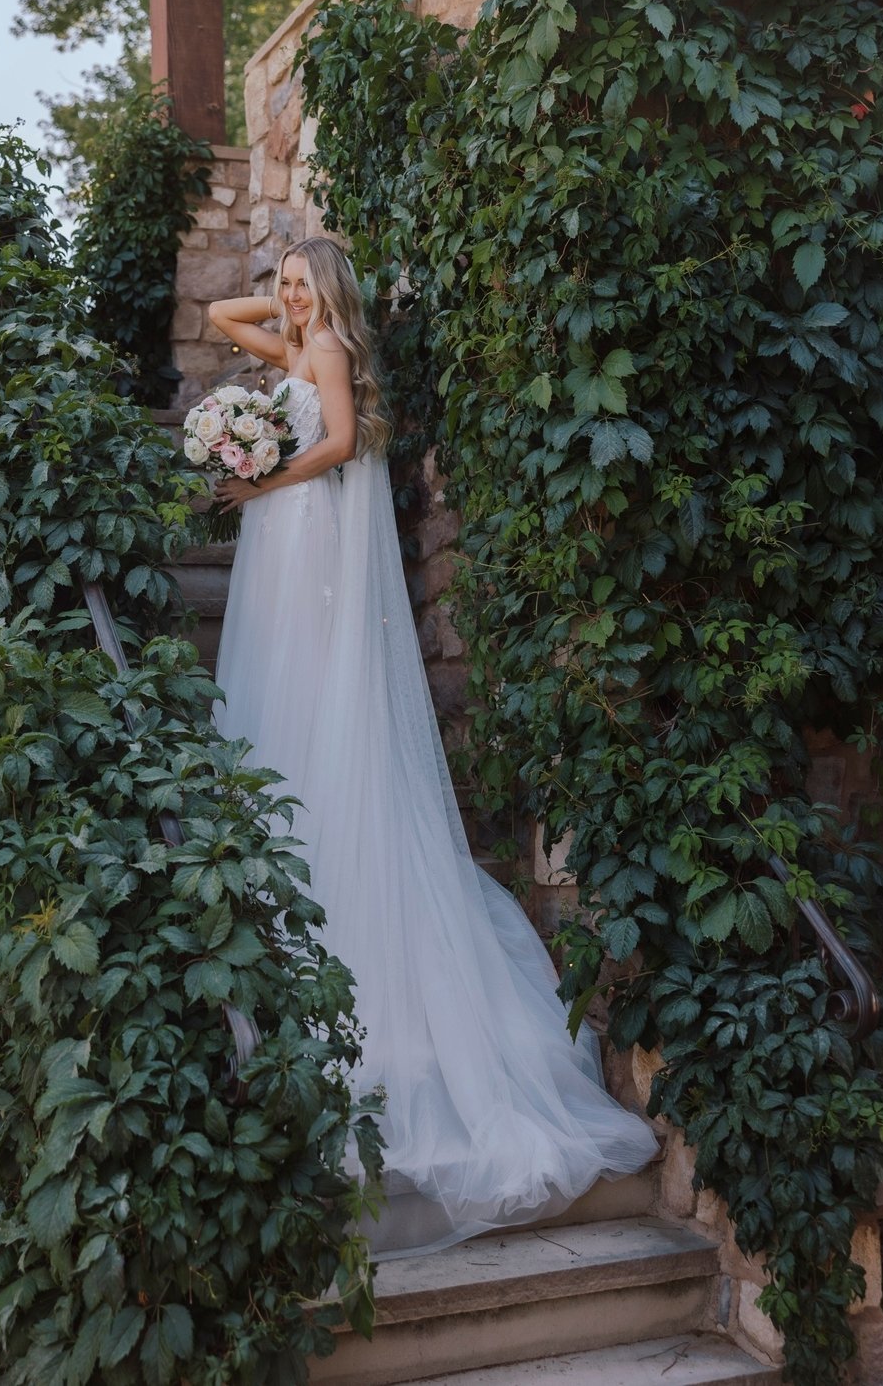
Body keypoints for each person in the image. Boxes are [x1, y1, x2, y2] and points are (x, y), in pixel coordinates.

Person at [207, 236, 658, 1259]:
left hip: (305, 529)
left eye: (297, 283)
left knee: (313, 695)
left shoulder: (326, 360)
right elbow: (219, 324)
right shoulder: (299, 343)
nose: (280, 298)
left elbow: (337, 443)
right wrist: (280, 295)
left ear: (330, 293)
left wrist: (263, 476)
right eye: (280, 282)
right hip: (290, 533)